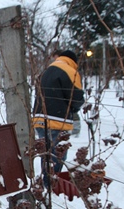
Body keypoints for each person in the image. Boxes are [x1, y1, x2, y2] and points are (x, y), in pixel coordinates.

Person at [32, 49, 85, 177]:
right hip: (58, 120)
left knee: (46, 155)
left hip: (39, 119)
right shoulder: (70, 71)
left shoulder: (46, 71)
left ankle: (46, 187)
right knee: (57, 156)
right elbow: (76, 98)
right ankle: (52, 187)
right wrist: (73, 110)